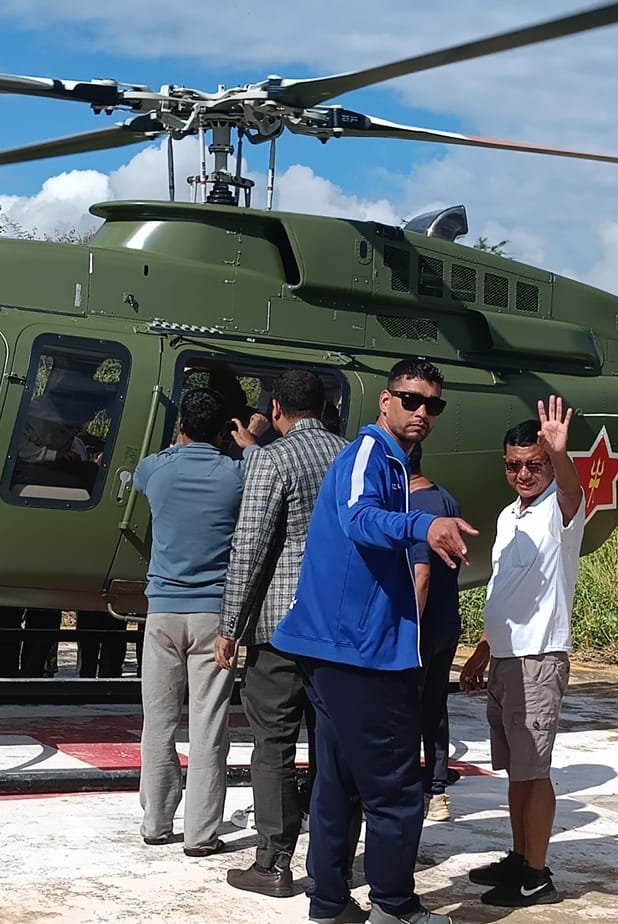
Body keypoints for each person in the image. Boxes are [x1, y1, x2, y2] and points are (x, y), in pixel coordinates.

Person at [270, 358, 480, 924]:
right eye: (411, 399)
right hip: (360, 654)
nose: (422, 411)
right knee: (397, 789)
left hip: (335, 650)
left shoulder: (390, 462)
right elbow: (360, 518)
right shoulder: (371, 453)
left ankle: (329, 902)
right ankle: (395, 905)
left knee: (338, 784)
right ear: (385, 401)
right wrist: (422, 526)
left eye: (433, 404)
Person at [214, 370, 348, 899]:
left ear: (275, 409)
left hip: (280, 627)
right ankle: (332, 861)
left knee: (273, 743)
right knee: (331, 745)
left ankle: (273, 861)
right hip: (336, 625)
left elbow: (250, 545)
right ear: (325, 406)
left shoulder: (272, 459)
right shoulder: (351, 456)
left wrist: (231, 626)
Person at [457, 398, 584, 908]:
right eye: (513, 465)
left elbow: (573, 490)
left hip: (538, 658)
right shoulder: (510, 516)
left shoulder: (559, 509)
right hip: (507, 659)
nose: (523, 474)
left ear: (548, 463)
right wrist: (483, 649)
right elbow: (504, 590)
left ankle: (537, 874)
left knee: (535, 770)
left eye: (534, 464)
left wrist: (562, 453)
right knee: (516, 769)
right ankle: (519, 856)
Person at [132, 388, 257, 856]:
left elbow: (146, 470)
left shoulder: (156, 469)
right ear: (225, 430)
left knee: (158, 721)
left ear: (181, 425)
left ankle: (156, 821)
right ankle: (201, 833)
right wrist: (249, 442)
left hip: (163, 611)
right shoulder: (235, 473)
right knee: (208, 725)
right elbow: (261, 472)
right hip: (214, 615)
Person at [406, 443, 465, 823]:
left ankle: (409, 787)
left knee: (405, 706)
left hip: (422, 625)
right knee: (435, 705)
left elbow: (421, 574)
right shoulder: (446, 498)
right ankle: (438, 789)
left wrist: (408, 628)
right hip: (447, 621)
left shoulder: (413, 507)